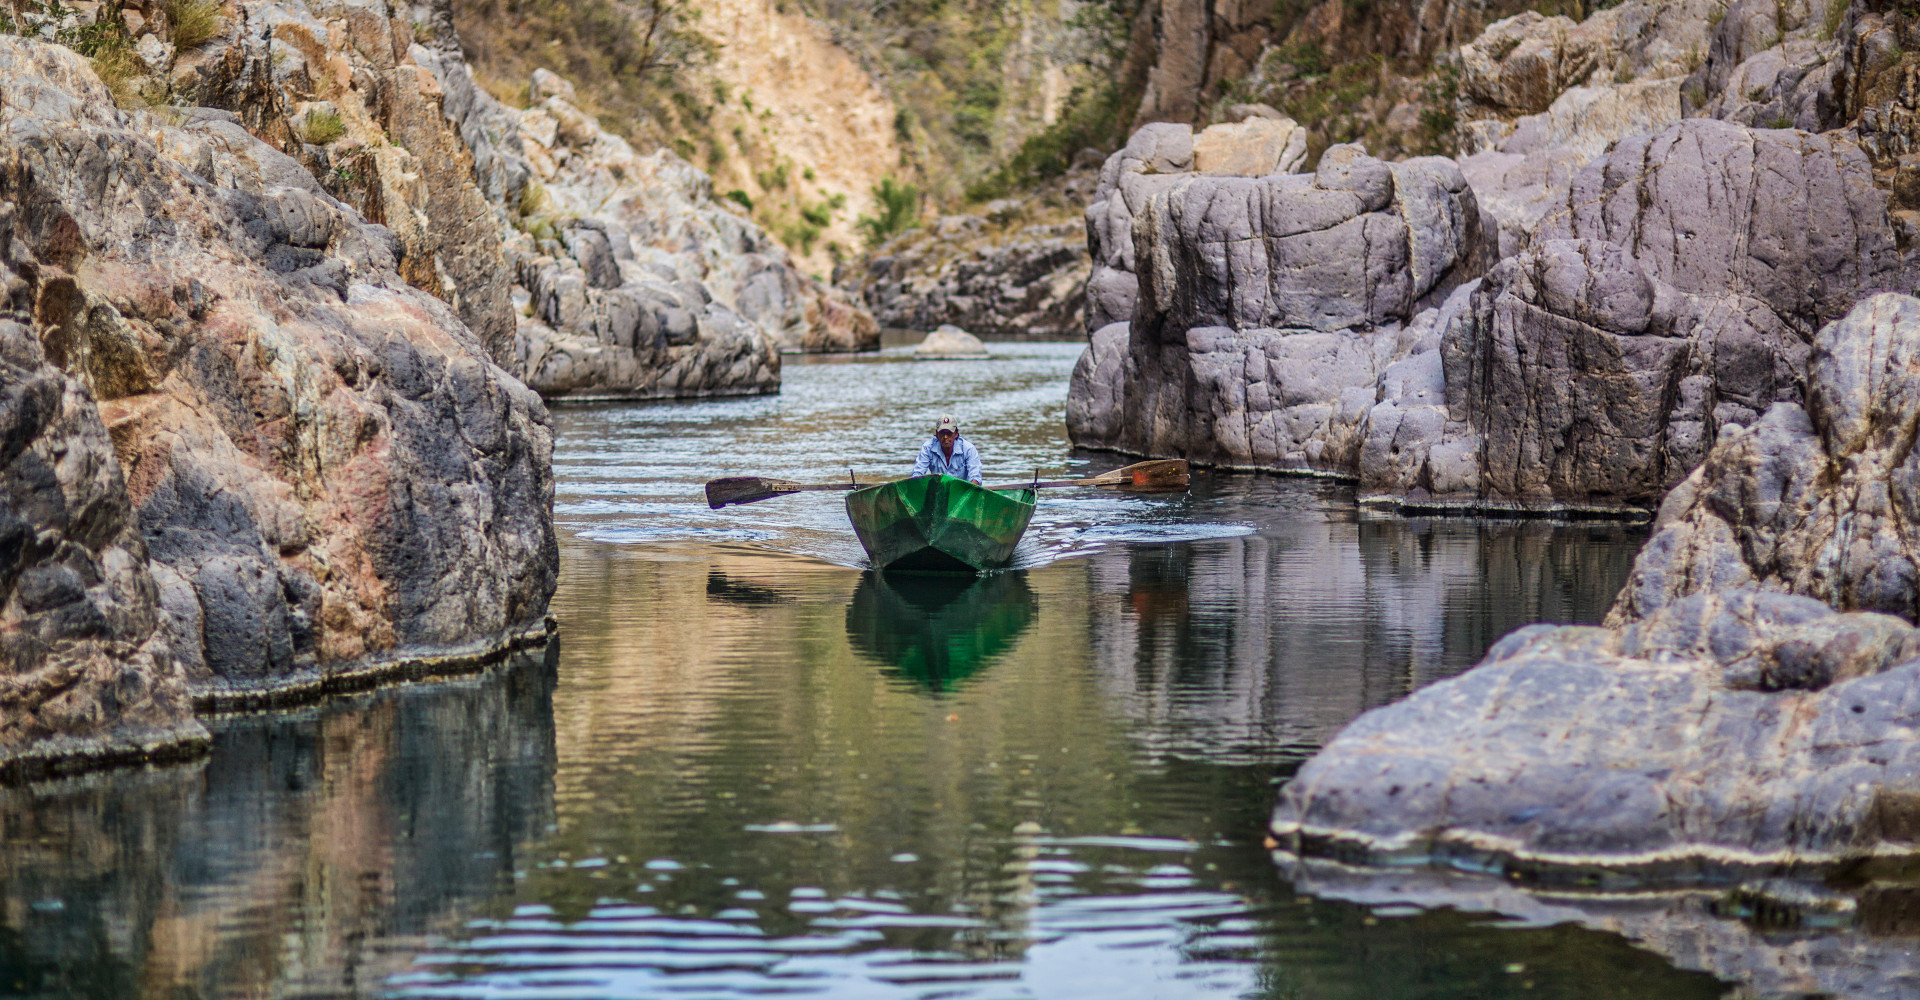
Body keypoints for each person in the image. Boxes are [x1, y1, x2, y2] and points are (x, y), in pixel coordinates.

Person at [912, 415, 982, 484]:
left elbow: (975, 477)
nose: (945, 437)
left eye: (949, 433)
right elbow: (917, 473)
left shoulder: (968, 449)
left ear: (956, 434)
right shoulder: (927, 448)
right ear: (937, 434)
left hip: (963, 492)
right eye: (942, 433)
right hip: (938, 491)